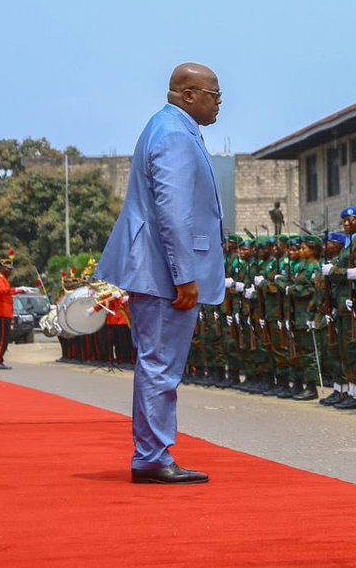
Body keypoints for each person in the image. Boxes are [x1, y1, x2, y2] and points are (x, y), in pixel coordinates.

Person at [97, 62, 225, 485]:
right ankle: (152, 457)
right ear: (189, 94)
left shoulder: (171, 127)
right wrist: (184, 275)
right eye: (214, 94)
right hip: (163, 271)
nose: (219, 102)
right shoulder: (173, 133)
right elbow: (173, 212)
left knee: (157, 362)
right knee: (160, 365)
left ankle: (151, 453)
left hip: (155, 267)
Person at [0, 250, 25, 369]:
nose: (10, 271)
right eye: (8, 269)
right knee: (3, 338)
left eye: (11, 269)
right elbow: (3, 291)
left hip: (6, 312)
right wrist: (17, 290)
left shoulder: (4, 279)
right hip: (2, 312)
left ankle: (0, 359)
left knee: (5, 338)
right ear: (2, 268)